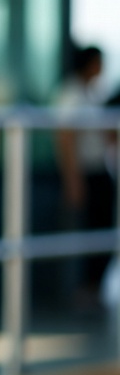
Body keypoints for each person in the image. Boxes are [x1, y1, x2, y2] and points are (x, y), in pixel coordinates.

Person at [55, 44, 113, 303]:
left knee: (102, 230)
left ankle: (94, 287)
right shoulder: (72, 94)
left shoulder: (92, 95)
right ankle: (84, 289)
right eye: (99, 63)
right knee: (87, 230)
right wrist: (73, 180)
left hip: (99, 171)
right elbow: (66, 138)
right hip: (84, 174)